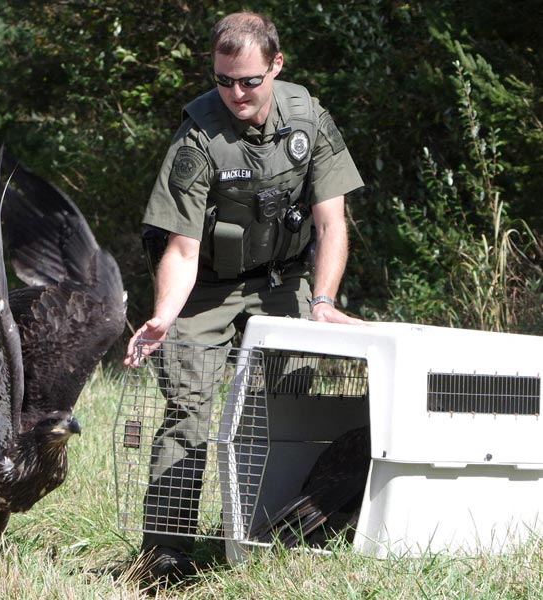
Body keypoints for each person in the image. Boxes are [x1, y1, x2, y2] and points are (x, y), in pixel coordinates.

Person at [123, 11, 364, 582]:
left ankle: (283, 536)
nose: (236, 92)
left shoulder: (310, 119)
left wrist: (323, 300)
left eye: (249, 80)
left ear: (276, 66)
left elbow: (332, 224)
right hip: (205, 287)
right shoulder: (197, 139)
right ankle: (167, 554)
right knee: (186, 412)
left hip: (284, 283)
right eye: (224, 79)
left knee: (291, 409)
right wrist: (162, 317)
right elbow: (180, 249)